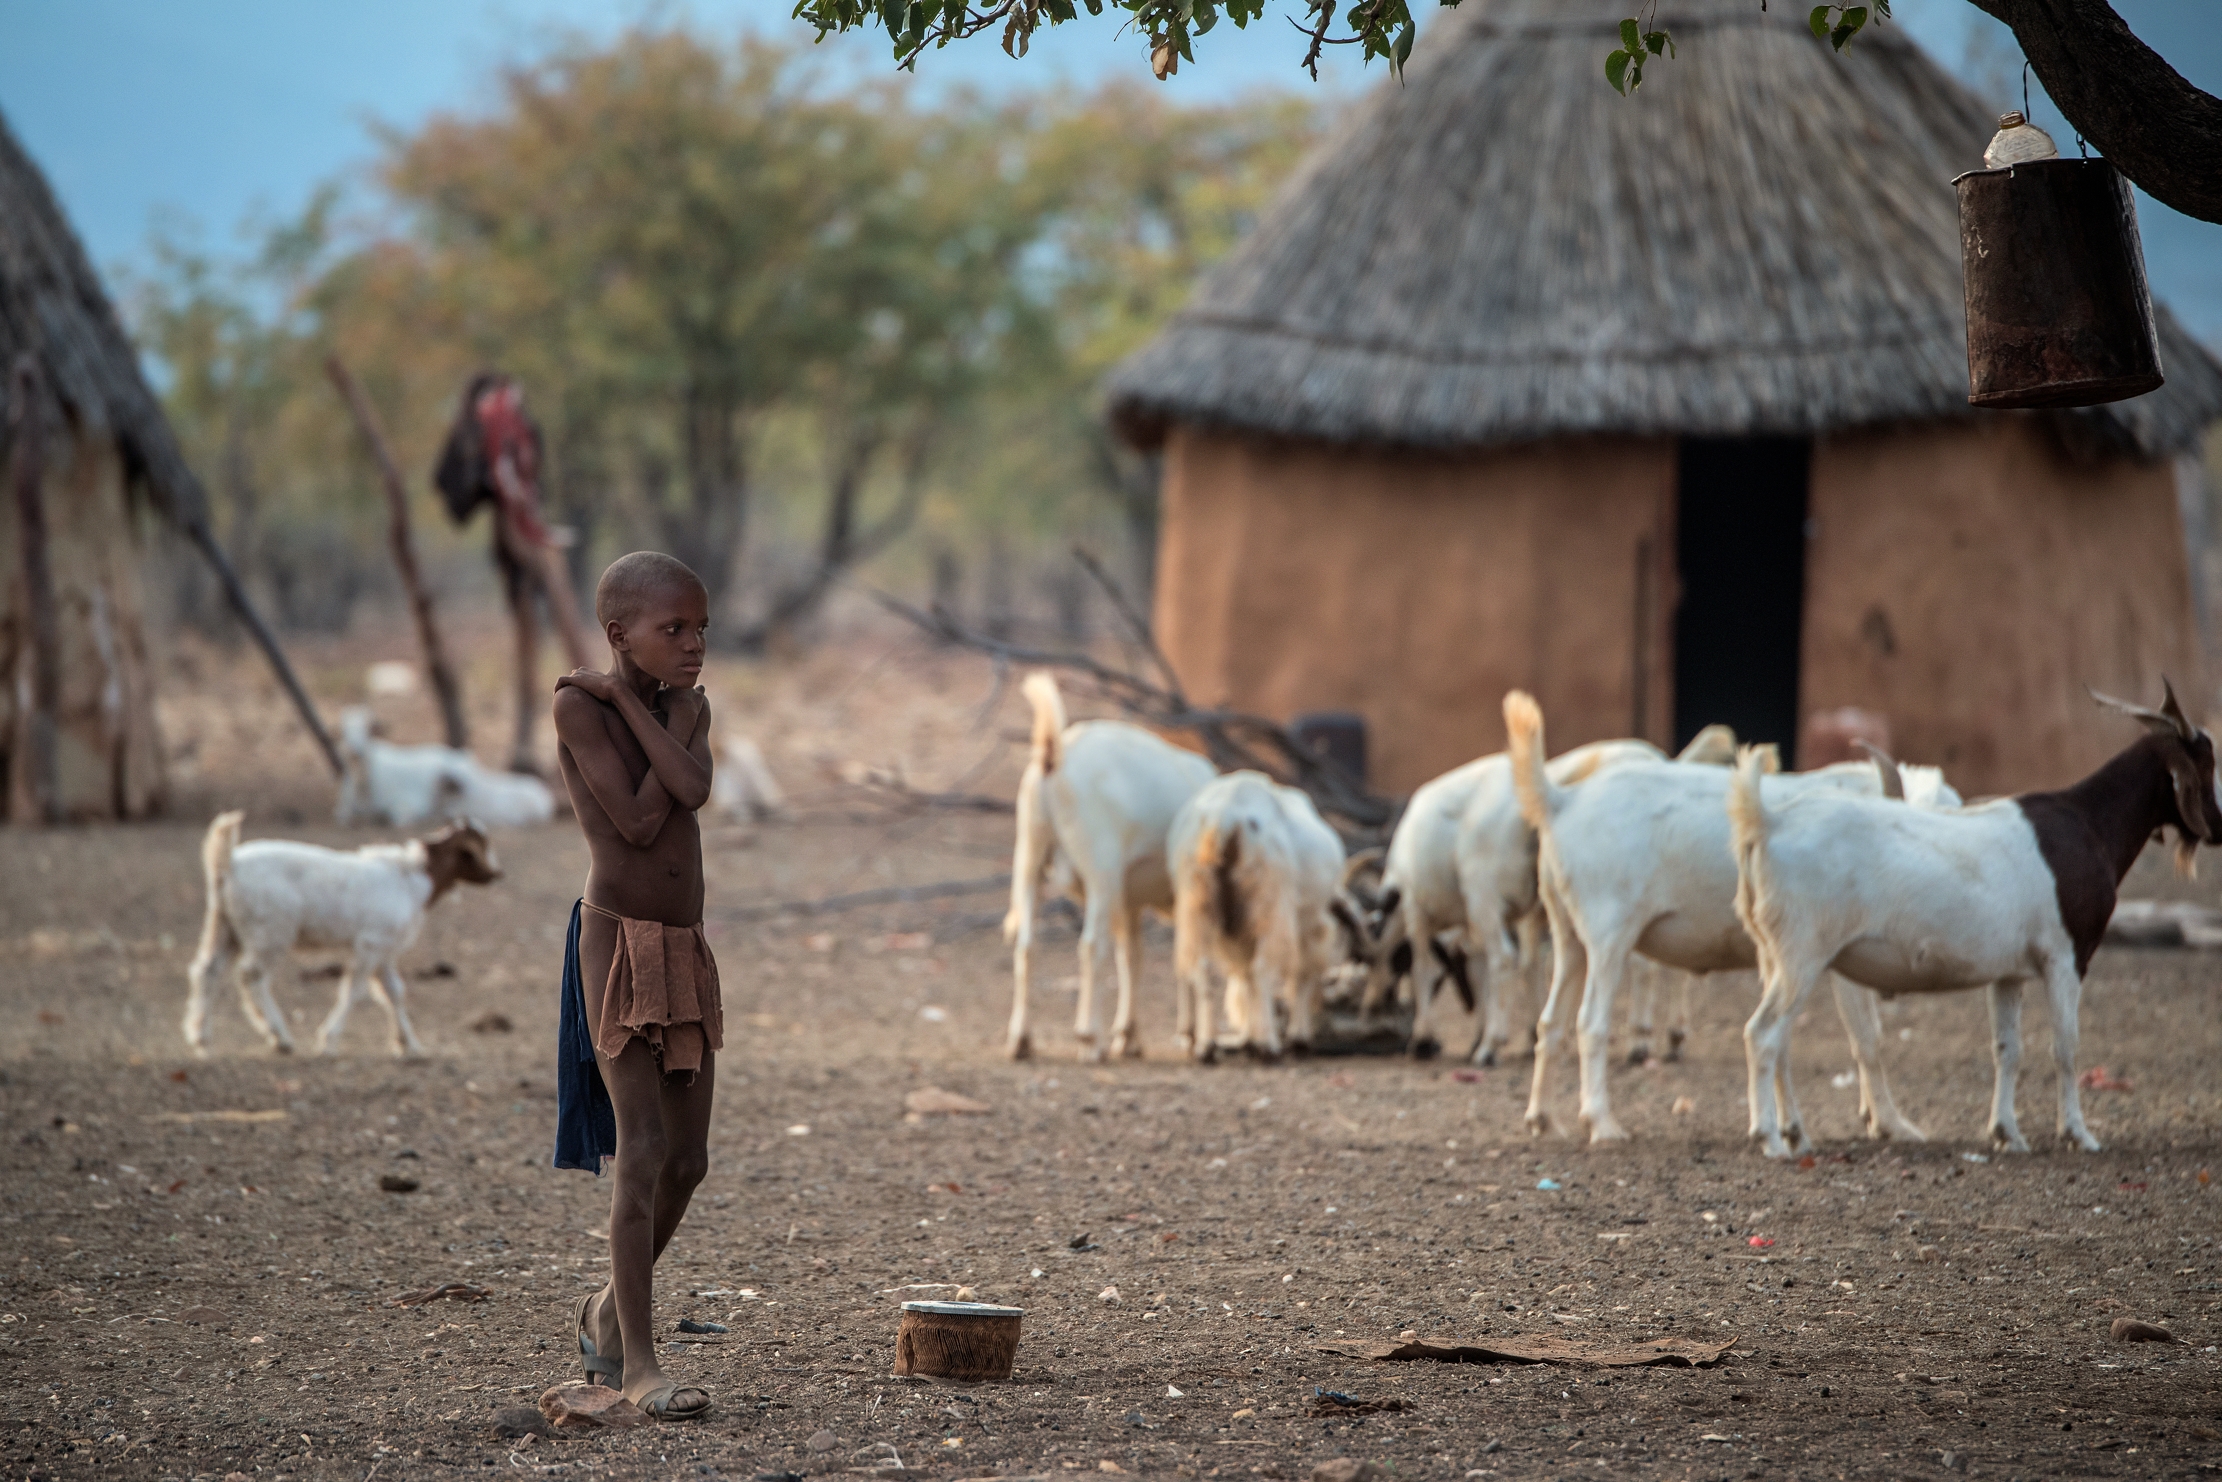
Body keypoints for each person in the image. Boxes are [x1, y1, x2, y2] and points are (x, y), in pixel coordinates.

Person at [549, 551, 718, 1420]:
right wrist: (618, 701)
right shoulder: (578, 708)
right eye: (674, 630)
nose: (694, 646)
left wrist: (642, 701)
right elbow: (643, 817)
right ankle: (638, 1366)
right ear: (618, 635)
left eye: (700, 630)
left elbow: (695, 786)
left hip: (684, 947)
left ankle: (608, 1311)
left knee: (688, 1161)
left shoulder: (688, 706)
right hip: (615, 946)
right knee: (642, 1153)